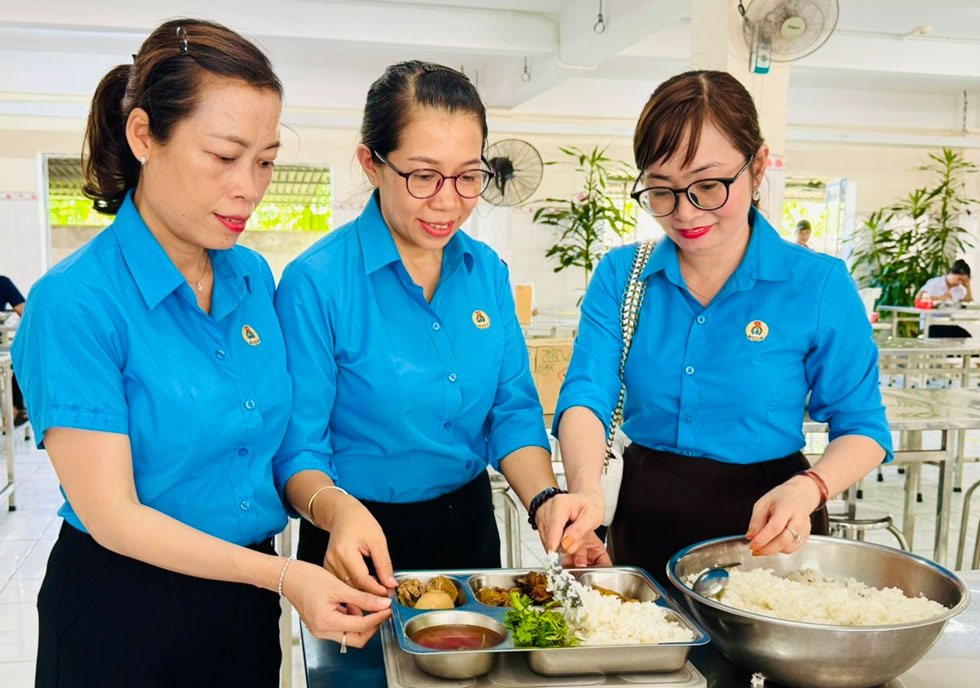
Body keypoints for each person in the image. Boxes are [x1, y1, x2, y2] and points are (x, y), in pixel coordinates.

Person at [12, 19, 390, 688]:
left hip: (244, 602)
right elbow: (116, 517)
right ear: (143, 137)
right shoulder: (75, 302)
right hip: (123, 609)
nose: (251, 187)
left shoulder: (252, 281)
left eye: (267, 160)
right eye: (224, 156)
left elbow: (277, 452)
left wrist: (336, 508)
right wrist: (285, 576)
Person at [275, 61, 608, 586]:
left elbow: (512, 410)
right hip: (354, 535)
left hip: (468, 527)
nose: (449, 201)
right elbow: (298, 449)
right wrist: (337, 513)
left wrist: (546, 499)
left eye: (469, 176)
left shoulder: (486, 273)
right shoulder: (316, 284)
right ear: (372, 163)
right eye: (424, 176)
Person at [554, 70, 892, 586]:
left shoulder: (817, 284)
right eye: (661, 191)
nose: (685, 212)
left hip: (770, 522)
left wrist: (810, 489)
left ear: (757, 165)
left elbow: (864, 427)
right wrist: (585, 490)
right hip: (645, 514)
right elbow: (586, 393)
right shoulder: (623, 276)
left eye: (709, 186)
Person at [916, 260, 973, 337]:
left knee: (966, 336)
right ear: (952, 273)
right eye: (959, 279)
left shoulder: (958, 289)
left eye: (963, 281)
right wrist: (941, 298)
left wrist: (968, 286)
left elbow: (968, 301)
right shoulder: (935, 282)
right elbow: (918, 299)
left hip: (947, 323)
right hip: (931, 323)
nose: (960, 283)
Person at [0, 275, 27, 424]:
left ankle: (15, 408)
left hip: (2, 345)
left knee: (18, 357)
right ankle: (15, 409)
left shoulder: (2, 282)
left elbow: (24, 311)